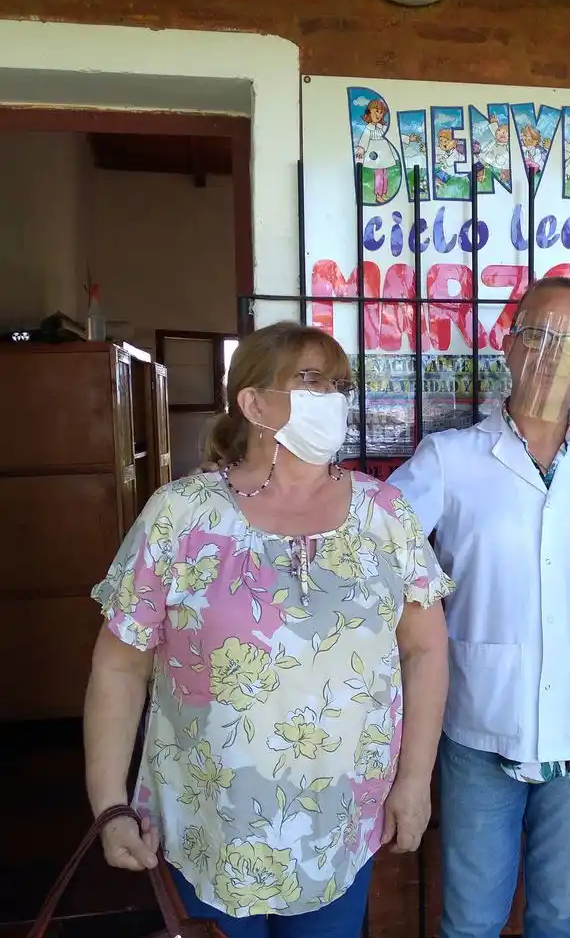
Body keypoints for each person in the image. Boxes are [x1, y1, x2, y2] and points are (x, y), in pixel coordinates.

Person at [84, 322, 454, 938]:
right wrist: (109, 806)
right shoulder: (181, 516)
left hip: (339, 826)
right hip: (206, 827)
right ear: (253, 403)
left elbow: (425, 651)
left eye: (340, 385)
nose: (333, 399)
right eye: (312, 382)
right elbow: (118, 666)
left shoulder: (384, 516)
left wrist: (414, 782)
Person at [388, 277, 570, 938]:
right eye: (540, 334)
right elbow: (377, 557)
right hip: (480, 726)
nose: (556, 354)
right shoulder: (451, 458)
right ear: (509, 343)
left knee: (559, 913)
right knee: (470, 920)